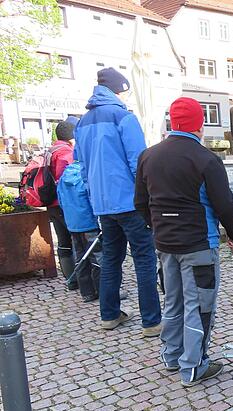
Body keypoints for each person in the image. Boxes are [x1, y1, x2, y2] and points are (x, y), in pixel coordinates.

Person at [134, 97, 233, 386]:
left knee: (174, 301)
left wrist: (159, 227)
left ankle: (172, 355)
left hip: (166, 244)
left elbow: (141, 203)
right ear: (199, 125)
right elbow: (225, 205)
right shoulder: (206, 159)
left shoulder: (148, 156)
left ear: (173, 122)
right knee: (200, 306)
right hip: (198, 245)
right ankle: (194, 365)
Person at [74, 67, 162, 336]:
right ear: (118, 90)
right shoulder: (123, 117)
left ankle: (109, 314)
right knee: (144, 258)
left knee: (111, 257)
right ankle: (151, 321)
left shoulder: (82, 123)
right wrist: (149, 197)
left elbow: (82, 164)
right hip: (129, 202)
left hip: (102, 203)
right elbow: (139, 162)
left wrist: (93, 198)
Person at [55, 118, 101, 303]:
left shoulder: (66, 173)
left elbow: (61, 199)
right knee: (98, 258)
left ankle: (87, 292)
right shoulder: (86, 174)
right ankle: (104, 291)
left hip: (73, 223)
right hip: (88, 223)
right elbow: (93, 199)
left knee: (80, 257)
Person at [47, 118, 78, 291]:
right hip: (64, 204)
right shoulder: (66, 153)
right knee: (78, 241)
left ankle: (70, 279)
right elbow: (70, 181)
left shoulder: (51, 150)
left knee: (63, 241)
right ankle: (78, 279)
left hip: (51, 204)